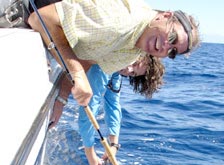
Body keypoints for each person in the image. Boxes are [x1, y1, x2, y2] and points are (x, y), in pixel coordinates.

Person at [28, 0, 200, 107]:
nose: (165, 47)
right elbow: (40, 18)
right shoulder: (120, 21)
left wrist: (62, 99)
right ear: (165, 15)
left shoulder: (133, 53)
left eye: (172, 51)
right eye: (172, 36)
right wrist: (78, 74)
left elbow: (88, 59)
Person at [51, 54, 165, 165]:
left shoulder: (116, 71)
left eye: (133, 74)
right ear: (136, 53)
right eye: (135, 63)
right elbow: (89, 108)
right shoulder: (105, 67)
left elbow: (113, 105)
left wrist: (114, 144)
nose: (129, 70)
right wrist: (91, 156)